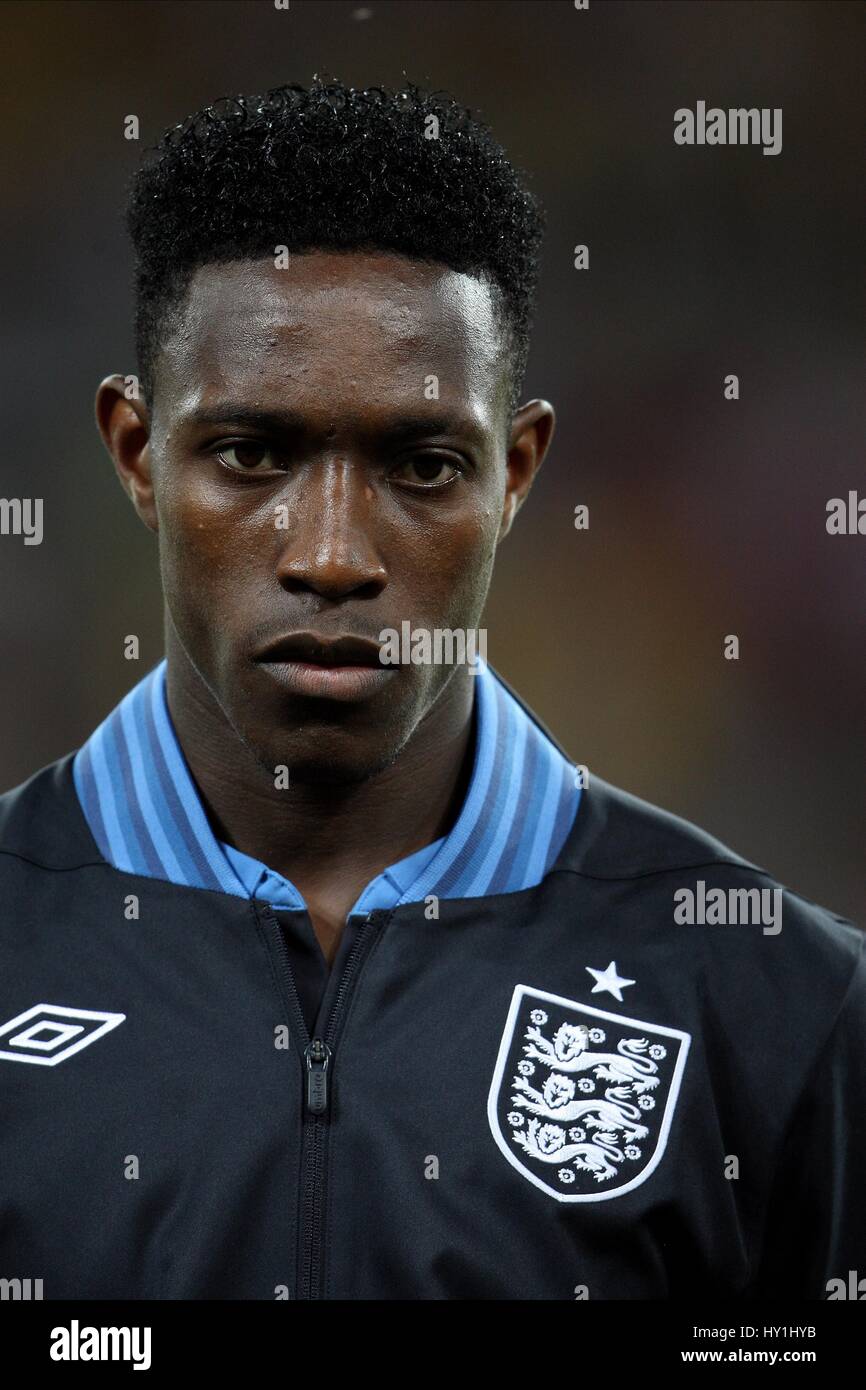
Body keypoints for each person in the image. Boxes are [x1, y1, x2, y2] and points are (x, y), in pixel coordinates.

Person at [1, 79, 862, 1301]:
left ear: (514, 474)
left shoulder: (783, 1004)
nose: (334, 555)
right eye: (251, 454)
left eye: (420, 465)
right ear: (138, 454)